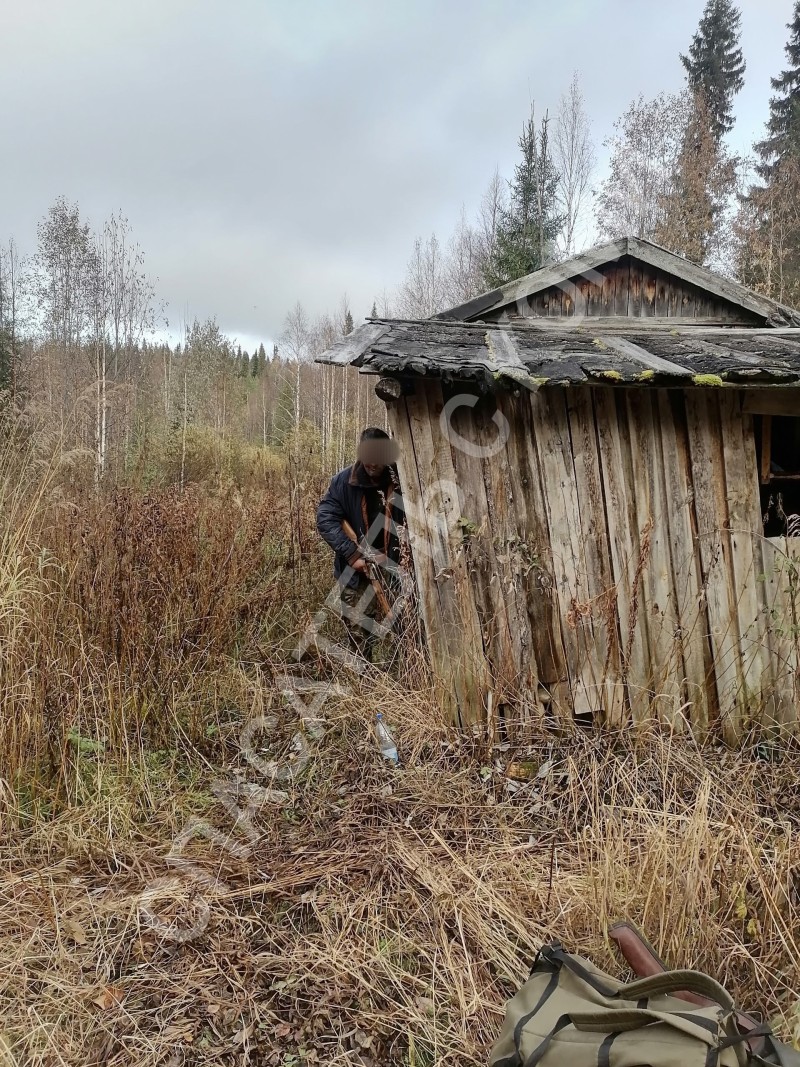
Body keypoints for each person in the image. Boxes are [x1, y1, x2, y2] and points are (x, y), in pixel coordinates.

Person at [316, 428, 403, 661]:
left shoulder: (402, 479)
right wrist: (352, 555)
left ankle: (406, 677)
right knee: (358, 632)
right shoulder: (343, 481)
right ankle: (364, 682)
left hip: (394, 568)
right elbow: (325, 519)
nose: (371, 462)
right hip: (355, 572)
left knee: (403, 627)